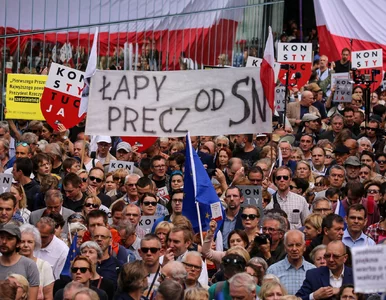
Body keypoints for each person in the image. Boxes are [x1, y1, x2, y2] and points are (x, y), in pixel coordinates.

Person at [266, 230, 315, 295]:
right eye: (290, 245)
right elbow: (267, 295)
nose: (294, 249)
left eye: (298, 245)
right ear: (285, 248)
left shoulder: (313, 270)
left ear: (304, 247)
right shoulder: (273, 270)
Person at [0, 224, 39, 300]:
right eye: (1, 238)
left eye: (9, 238)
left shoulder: (29, 265)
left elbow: (32, 297)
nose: (4, 242)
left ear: (18, 243)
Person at [19, 224, 55, 300]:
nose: (26, 245)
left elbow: (48, 296)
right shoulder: (10, 263)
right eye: (22, 241)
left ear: (35, 244)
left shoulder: (44, 266)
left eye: (30, 242)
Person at [138, 234, 162, 299]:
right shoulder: (131, 274)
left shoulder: (166, 275)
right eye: (145, 250)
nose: (149, 253)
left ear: (160, 252)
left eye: (153, 250)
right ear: (140, 252)